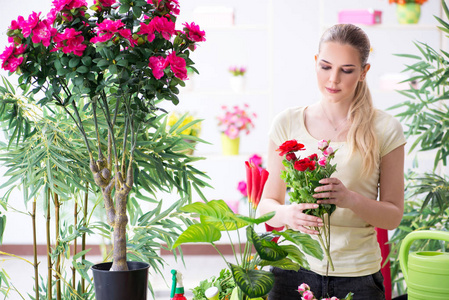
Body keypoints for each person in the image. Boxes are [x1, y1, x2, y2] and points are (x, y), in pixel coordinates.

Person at [259, 24, 406, 300]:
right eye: (326, 67)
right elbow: (266, 205)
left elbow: (393, 215)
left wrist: (350, 199)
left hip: (358, 278)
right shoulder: (287, 123)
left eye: (346, 70)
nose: (333, 79)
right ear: (316, 63)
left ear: (364, 72)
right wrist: (288, 214)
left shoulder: (386, 129)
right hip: (292, 270)